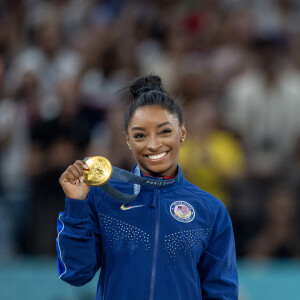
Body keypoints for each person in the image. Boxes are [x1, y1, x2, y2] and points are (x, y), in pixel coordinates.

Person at [56, 74, 238, 300]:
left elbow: (222, 293)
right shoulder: (102, 196)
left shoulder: (210, 210)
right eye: (140, 135)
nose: (153, 144)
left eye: (164, 131)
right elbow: (76, 273)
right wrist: (76, 204)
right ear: (128, 139)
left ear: (182, 132)